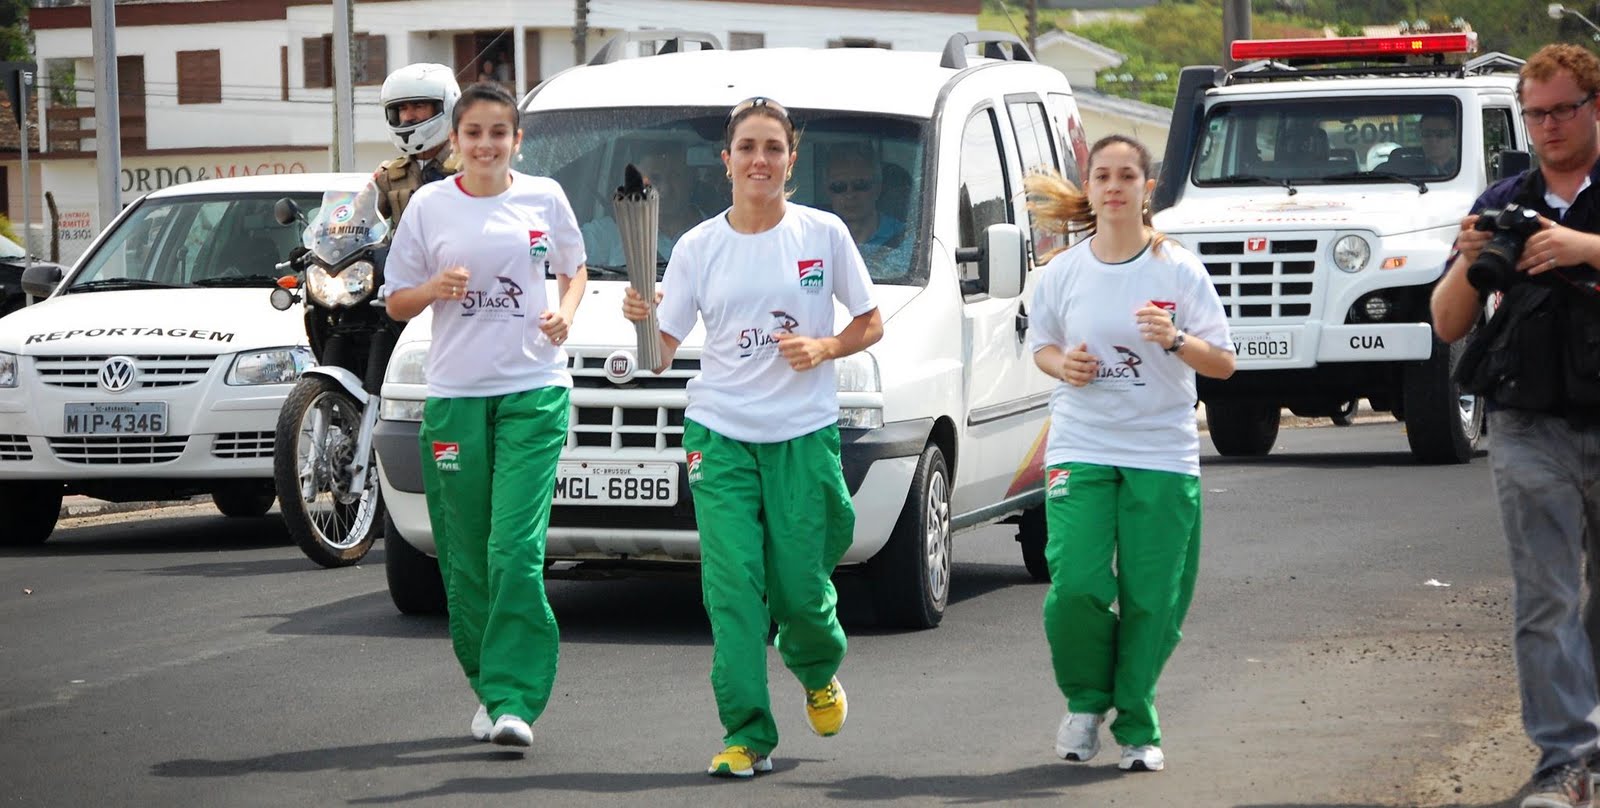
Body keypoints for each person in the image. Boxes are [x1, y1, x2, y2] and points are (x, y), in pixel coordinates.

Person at [621, 96, 883, 779]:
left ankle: (817, 667)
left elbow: (870, 322)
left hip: (802, 433)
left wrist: (825, 347)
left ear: (791, 159)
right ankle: (745, 732)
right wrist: (641, 317)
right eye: (747, 148)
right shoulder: (698, 247)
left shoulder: (823, 234)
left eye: (773, 147)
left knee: (799, 588)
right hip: (720, 434)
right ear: (726, 160)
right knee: (732, 589)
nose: (759, 160)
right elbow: (659, 354)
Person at [382, 81, 588, 750]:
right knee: (467, 557)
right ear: (456, 140)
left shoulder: (544, 198)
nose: (486, 145)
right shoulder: (429, 206)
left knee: (514, 551)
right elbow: (395, 301)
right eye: (474, 133)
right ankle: (491, 686)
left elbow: (575, 269)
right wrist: (432, 289)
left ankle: (515, 697)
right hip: (456, 397)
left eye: (499, 133)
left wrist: (566, 312)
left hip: (534, 391)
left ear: (516, 141)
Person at [1025, 134, 1236, 774]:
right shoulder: (1063, 271)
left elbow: (1223, 362)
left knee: (1153, 599)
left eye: (1126, 176)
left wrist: (1174, 339)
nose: (1114, 186)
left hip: (1160, 450)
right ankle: (1086, 702)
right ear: (1088, 188)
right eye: (1102, 176)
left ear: (1147, 188)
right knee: (1076, 585)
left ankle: (1137, 724)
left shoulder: (1178, 268)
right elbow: (1043, 347)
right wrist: (1065, 366)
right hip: (1082, 444)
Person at [1431, 44, 1600, 808]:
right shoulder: (1506, 198)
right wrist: (1469, 261)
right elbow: (1446, 323)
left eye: (1563, 109)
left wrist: (1581, 247)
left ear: (1595, 105)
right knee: (1545, 597)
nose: (1549, 126)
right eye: (1536, 114)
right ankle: (1565, 761)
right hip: (1529, 423)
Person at [581, 144, 706, 268]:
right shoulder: (608, 234)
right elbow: (571, 253)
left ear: (693, 177)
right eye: (655, 178)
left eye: (675, 176)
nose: (665, 188)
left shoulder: (713, 234)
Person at [374, 63, 461, 224]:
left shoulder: (469, 168)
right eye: (402, 109)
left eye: (419, 106)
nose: (408, 117)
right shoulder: (388, 175)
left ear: (446, 106)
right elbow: (357, 217)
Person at [823, 143, 904, 249]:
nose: (850, 195)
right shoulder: (815, 239)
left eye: (860, 184)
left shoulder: (906, 239)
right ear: (828, 191)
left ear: (878, 188)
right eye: (839, 186)